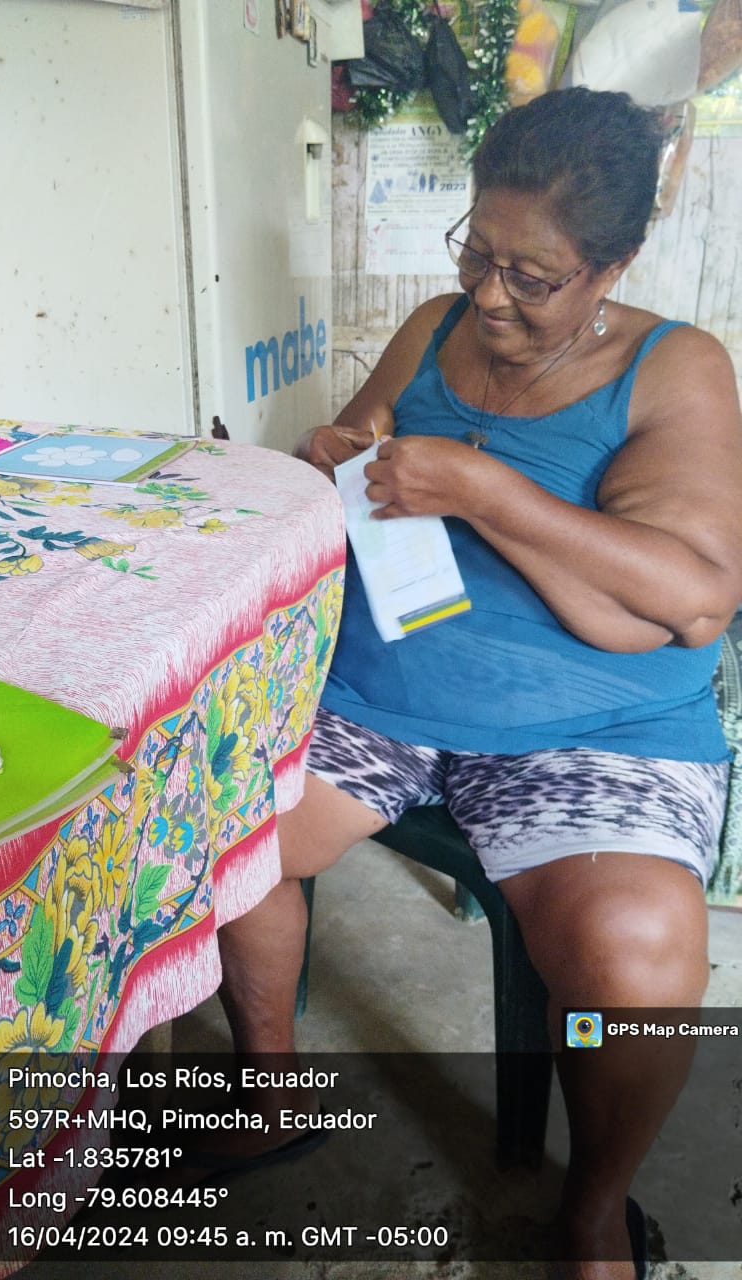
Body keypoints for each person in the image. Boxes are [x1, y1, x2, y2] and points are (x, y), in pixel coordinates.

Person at [214, 87, 742, 1280]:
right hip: (386, 683)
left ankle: (594, 1206)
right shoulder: (435, 326)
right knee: (220, 827)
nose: (490, 295)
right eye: (477, 253)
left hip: (594, 723)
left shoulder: (673, 368)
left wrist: (485, 488)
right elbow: (352, 440)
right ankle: (271, 1087)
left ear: (613, 265)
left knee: (638, 955)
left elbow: (698, 596)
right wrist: (334, 456)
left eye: (533, 276)